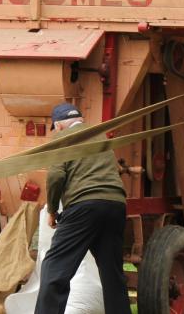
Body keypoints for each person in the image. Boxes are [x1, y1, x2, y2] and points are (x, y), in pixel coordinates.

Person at [35, 103, 130, 314]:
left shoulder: (62, 138)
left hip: (84, 206)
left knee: (54, 268)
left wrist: (52, 210)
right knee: (113, 275)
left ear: (58, 126)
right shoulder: (100, 136)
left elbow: (56, 175)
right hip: (116, 204)